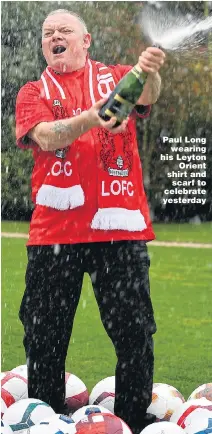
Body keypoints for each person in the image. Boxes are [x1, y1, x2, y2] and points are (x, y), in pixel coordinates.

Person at [16, 9, 166, 433]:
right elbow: (47, 136)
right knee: (44, 341)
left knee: (135, 338)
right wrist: (91, 116)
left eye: (65, 31)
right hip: (53, 237)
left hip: (119, 233)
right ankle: (44, 422)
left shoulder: (119, 76)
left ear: (87, 40)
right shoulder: (32, 91)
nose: (54, 37)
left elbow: (148, 95)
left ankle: (132, 423)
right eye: (48, 33)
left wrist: (149, 71)